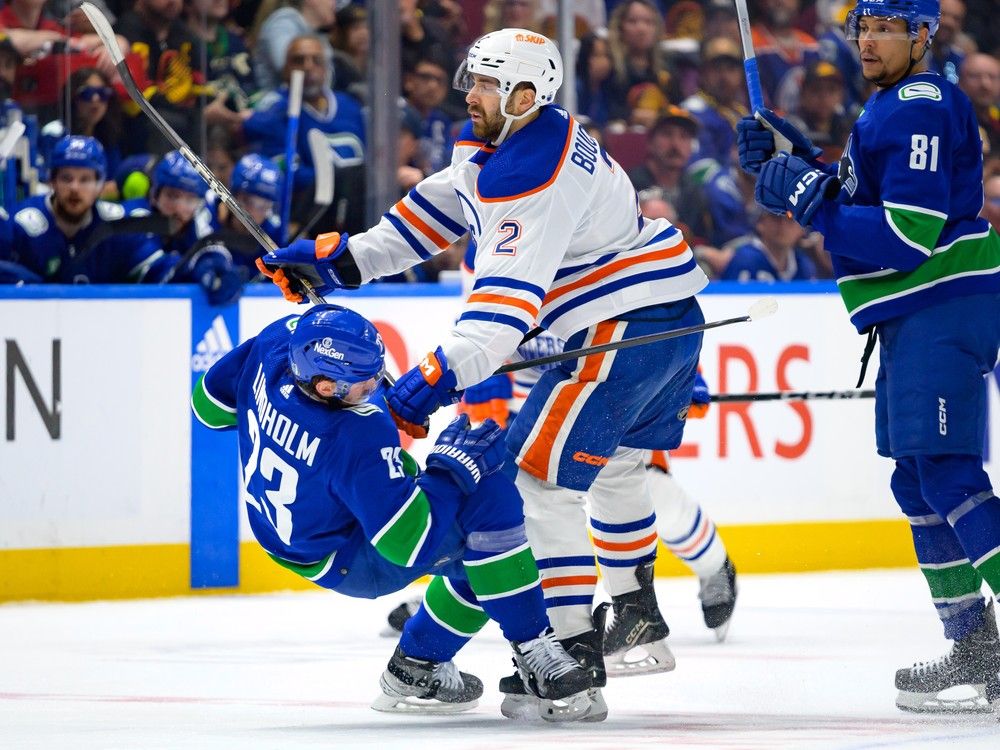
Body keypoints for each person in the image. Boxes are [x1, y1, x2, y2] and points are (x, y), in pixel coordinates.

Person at [257, 28, 711, 718]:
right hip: (664, 322)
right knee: (615, 470)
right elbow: (429, 216)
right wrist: (339, 261)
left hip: (623, 329)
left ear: (527, 95)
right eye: (474, 77)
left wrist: (424, 386)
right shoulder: (516, 141)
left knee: (532, 486)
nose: (471, 92)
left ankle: (571, 661)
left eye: (488, 84)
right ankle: (635, 611)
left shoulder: (531, 174)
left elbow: (502, 319)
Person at [737, 0, 1000, 714]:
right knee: (918, 482)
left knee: (945, 474)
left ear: (924, 34)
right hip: (916, 315)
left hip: (939, 305)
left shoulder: (916, 104)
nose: (869, 39)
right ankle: (976, 648)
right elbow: (861, 197)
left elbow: (907, 235)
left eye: (887, 26)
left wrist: (806, 198)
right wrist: (801, 162)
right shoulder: (887, 107)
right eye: (863, 26)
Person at [190, 303, 596, 721]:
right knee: (490, 499)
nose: (374, 389)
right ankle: (535, 657)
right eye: (365, 385)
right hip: (350, 554)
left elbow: (209, 408)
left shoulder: (277, 344)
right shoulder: (355, 433)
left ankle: (415, 669)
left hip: (297, 530)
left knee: (489, 559)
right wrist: (449, 469)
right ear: (326, 387)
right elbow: (409, 542)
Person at [0, 136, 238, 305]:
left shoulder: (116, 227)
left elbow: (159, 270)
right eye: (66, 178)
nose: (75, 188)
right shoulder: (21, 224)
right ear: (51, 181)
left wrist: (204, 267)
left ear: (101, 185)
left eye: (85, 179)